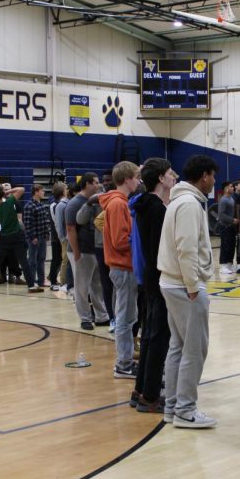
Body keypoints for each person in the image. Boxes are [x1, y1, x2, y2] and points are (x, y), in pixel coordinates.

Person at [158, 154, 218, 429]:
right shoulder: (189, 204)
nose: (214, 181)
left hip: (172, 281)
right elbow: (186, 248)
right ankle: (185, 409)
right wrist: (194, 286)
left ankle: (172, 407)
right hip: (184, 285)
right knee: (195, 349)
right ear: (204, 176)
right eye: (213, 176)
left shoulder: (178, 200)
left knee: (178, 347)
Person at [133, 158, 176, 412]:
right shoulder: (158, 209)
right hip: (159, 276)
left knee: (150, 334)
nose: (174, 177)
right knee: (158, 335)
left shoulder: (146, 205)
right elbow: (163, 249)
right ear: (160, 178)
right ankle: (150, 396)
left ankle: (140, 389)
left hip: (150, 275)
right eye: (170, 173)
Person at [101, 161, 140, 379]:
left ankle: (125, 361)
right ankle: (123, 364)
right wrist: (140, 241)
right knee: (125, 318)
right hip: (122, 266)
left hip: (124, 266)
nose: (138, 181)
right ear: (127, 179)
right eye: (136, 177)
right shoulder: (118, 204)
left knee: (128, 316)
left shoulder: (120, 202)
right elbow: (119, 240)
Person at [66, 173, 109, 331]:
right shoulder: (74, 203)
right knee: (81, 286)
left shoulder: (98, 200)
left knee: (97, 284)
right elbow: (70, 229)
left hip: (95, 249)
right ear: (86, 184)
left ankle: (101, 316)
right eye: (96, 183)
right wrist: (76, 252)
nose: (99, 185)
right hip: (81, 250)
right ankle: (85, 318)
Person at [0, 184, 39, 293]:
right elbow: (21, 189)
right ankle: (31, 286)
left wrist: (0, 238)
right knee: (23, 262)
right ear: (3, 194)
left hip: (3, 239)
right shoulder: (9, 202)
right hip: (17, 237)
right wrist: (8, 192)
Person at [23, 184, 52, 290]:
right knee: (32, 261)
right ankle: (31, 282)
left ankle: (40, 281)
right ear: (36, 192)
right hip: (34, 238)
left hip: (42, 237)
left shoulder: (40, 205)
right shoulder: (29, 206)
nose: (43, 192)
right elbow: (27, 224)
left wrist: (46, 234)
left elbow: (44, 222)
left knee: (41, 259)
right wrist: (32, 237)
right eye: (42, 191)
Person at [53, 181, 74, 292]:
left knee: (68, 259)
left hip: (68, 236)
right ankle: (63, 282)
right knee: (65, 259)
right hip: (65, 237)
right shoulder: (61, 205)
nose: (67, 190)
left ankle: (66, 280)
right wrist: (62, 238)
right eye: (65, 188)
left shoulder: (67, 203)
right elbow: (58, 223)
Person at [47, 182, 65, 289]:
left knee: (59, 259)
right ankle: (53, 281)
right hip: (56, 236)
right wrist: (60, 235)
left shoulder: (59, 203)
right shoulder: (54, 204)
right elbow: (56, 221)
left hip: (59, 236)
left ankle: (52, 277)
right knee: (56, 259)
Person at [217, 181, 237, 277]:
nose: (233, 188)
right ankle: (223, 265)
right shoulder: (223, 200)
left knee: (231, 246)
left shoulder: (231, 199)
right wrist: (232, 220)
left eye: (233, 186)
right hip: (225, 226)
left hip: (231, 227)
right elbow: (221, 215)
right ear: (226, 188)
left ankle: (229, 264)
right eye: (231, 186)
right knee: (225, 245)